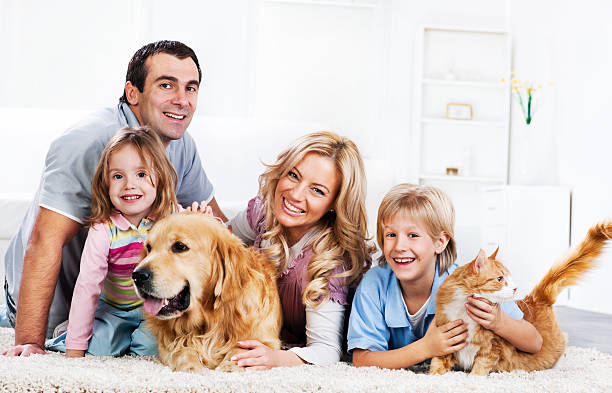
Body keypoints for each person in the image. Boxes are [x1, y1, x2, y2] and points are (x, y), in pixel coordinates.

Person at [1, 40, 226, 357]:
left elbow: (220, 231)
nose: (182, 100)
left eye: (191, 88)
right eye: (166, 85)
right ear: (133, 93)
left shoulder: (181, 144)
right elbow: (44, 240)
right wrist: (30, 342)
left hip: (134, 301)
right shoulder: (86, 142)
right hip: (60, 300)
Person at [347, 184, 542, 369]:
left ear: (440, 242)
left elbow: (534, 342)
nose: (399, 246)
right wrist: (425, 348)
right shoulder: (374, 284)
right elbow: (362, 359)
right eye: (391, 235)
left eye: (413, 235)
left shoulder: (468, 284)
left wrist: (499, 322)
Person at [226, 131, 374, 369]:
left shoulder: (329, 260)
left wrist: (276, 359)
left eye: (317, 190)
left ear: (335, 204)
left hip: (300, 345)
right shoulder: (263, 212)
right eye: (293, 175)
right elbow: (221, 243)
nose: (295, 195)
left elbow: (327, 350)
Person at [45, 126, 179, 357]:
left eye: (141, 174)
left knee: (149, 350)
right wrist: (75, 348)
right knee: (97, 350)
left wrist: (206, 216)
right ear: (105, 184)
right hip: (113, 310)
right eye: (118, 176)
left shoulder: (171, 217)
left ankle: (134, 337)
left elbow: (200, 238)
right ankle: (68, 332)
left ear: (159, 178)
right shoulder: (103, 229)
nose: (129, 185)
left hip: (155, 308)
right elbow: (88, 287)